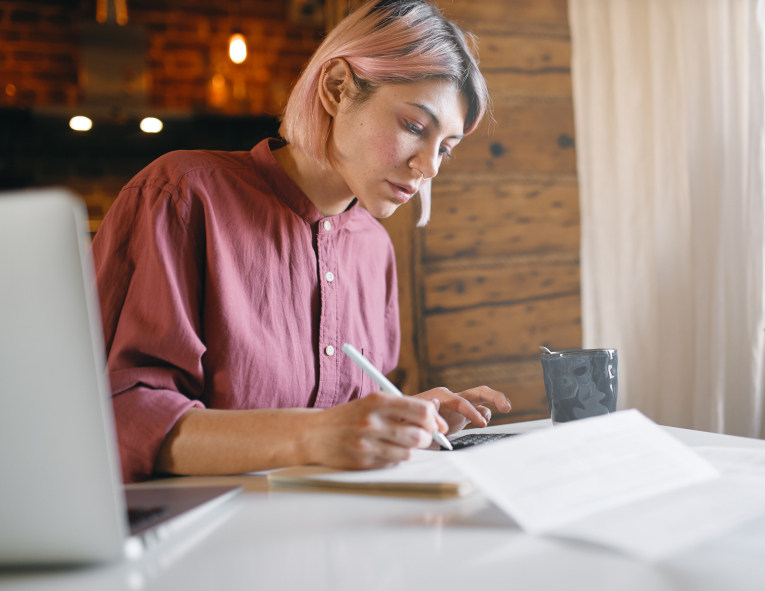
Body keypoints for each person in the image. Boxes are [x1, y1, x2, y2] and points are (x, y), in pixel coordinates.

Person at [91, 0, 511, 483]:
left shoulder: (374, 249)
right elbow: (119, 417)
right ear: (336, 88)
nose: (430, 166)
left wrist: (402, 419)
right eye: (415, 126)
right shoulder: (182, 195)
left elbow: (339, 423)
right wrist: (313, 435)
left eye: (446, 148)